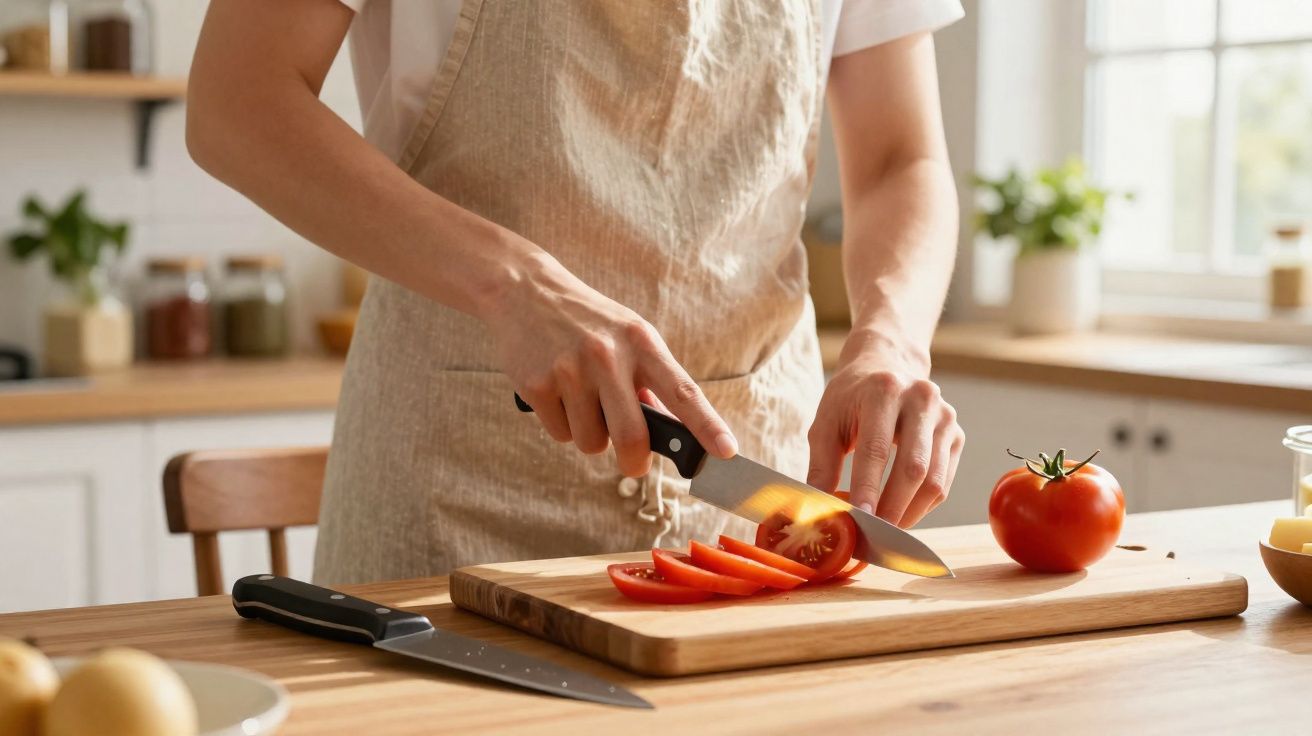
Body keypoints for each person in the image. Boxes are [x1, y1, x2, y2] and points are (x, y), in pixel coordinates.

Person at [186, 0, 967, 584]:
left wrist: (891, 343)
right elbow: (238, 101)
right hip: (454, 507)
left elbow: (901, 160)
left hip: (751, 505)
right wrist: (513, 284)